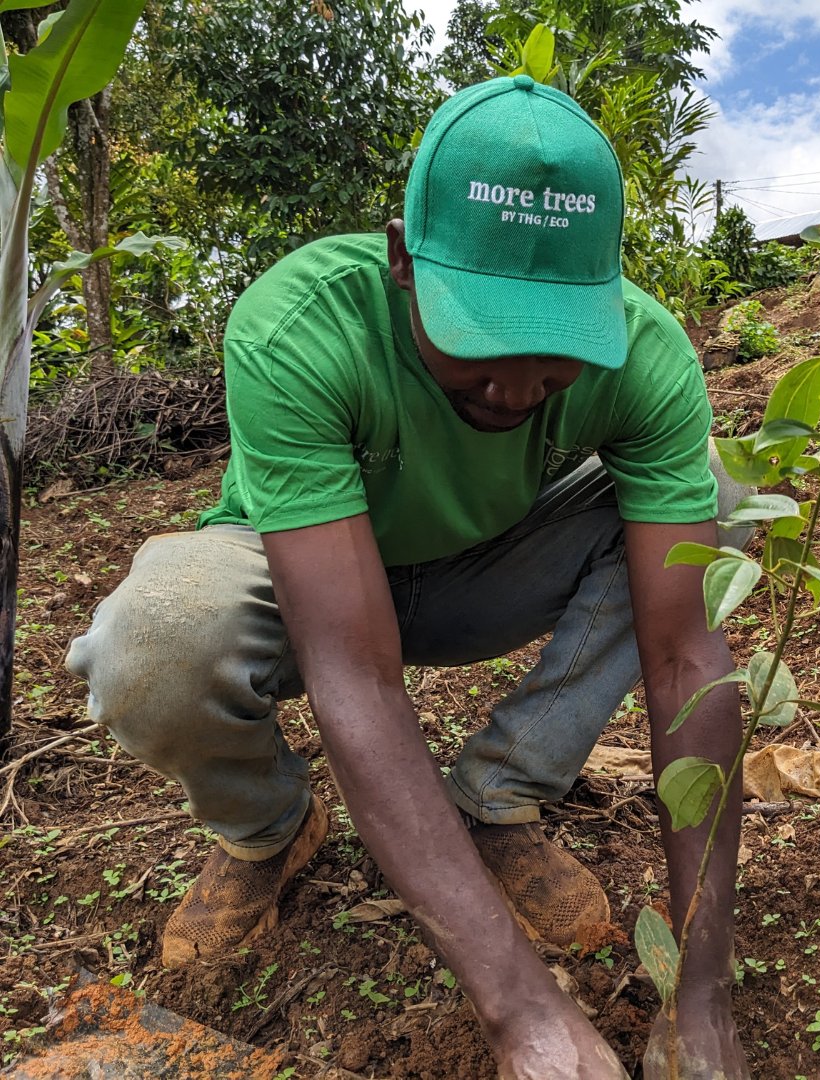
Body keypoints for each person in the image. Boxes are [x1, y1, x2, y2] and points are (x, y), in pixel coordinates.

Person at [65, 75, 753, 1079]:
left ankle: (496, 798)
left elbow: (686, 651)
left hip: (488, 567)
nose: (516, 387)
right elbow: (353, 671)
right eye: (479, 335)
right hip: (305, 583)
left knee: (715, 506)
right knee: (156, 636)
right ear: (401, 260)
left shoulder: (645, 358)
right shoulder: (302, 325)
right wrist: (526, 1016)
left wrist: (703, 994)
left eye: (555, 350)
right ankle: (271, 830)